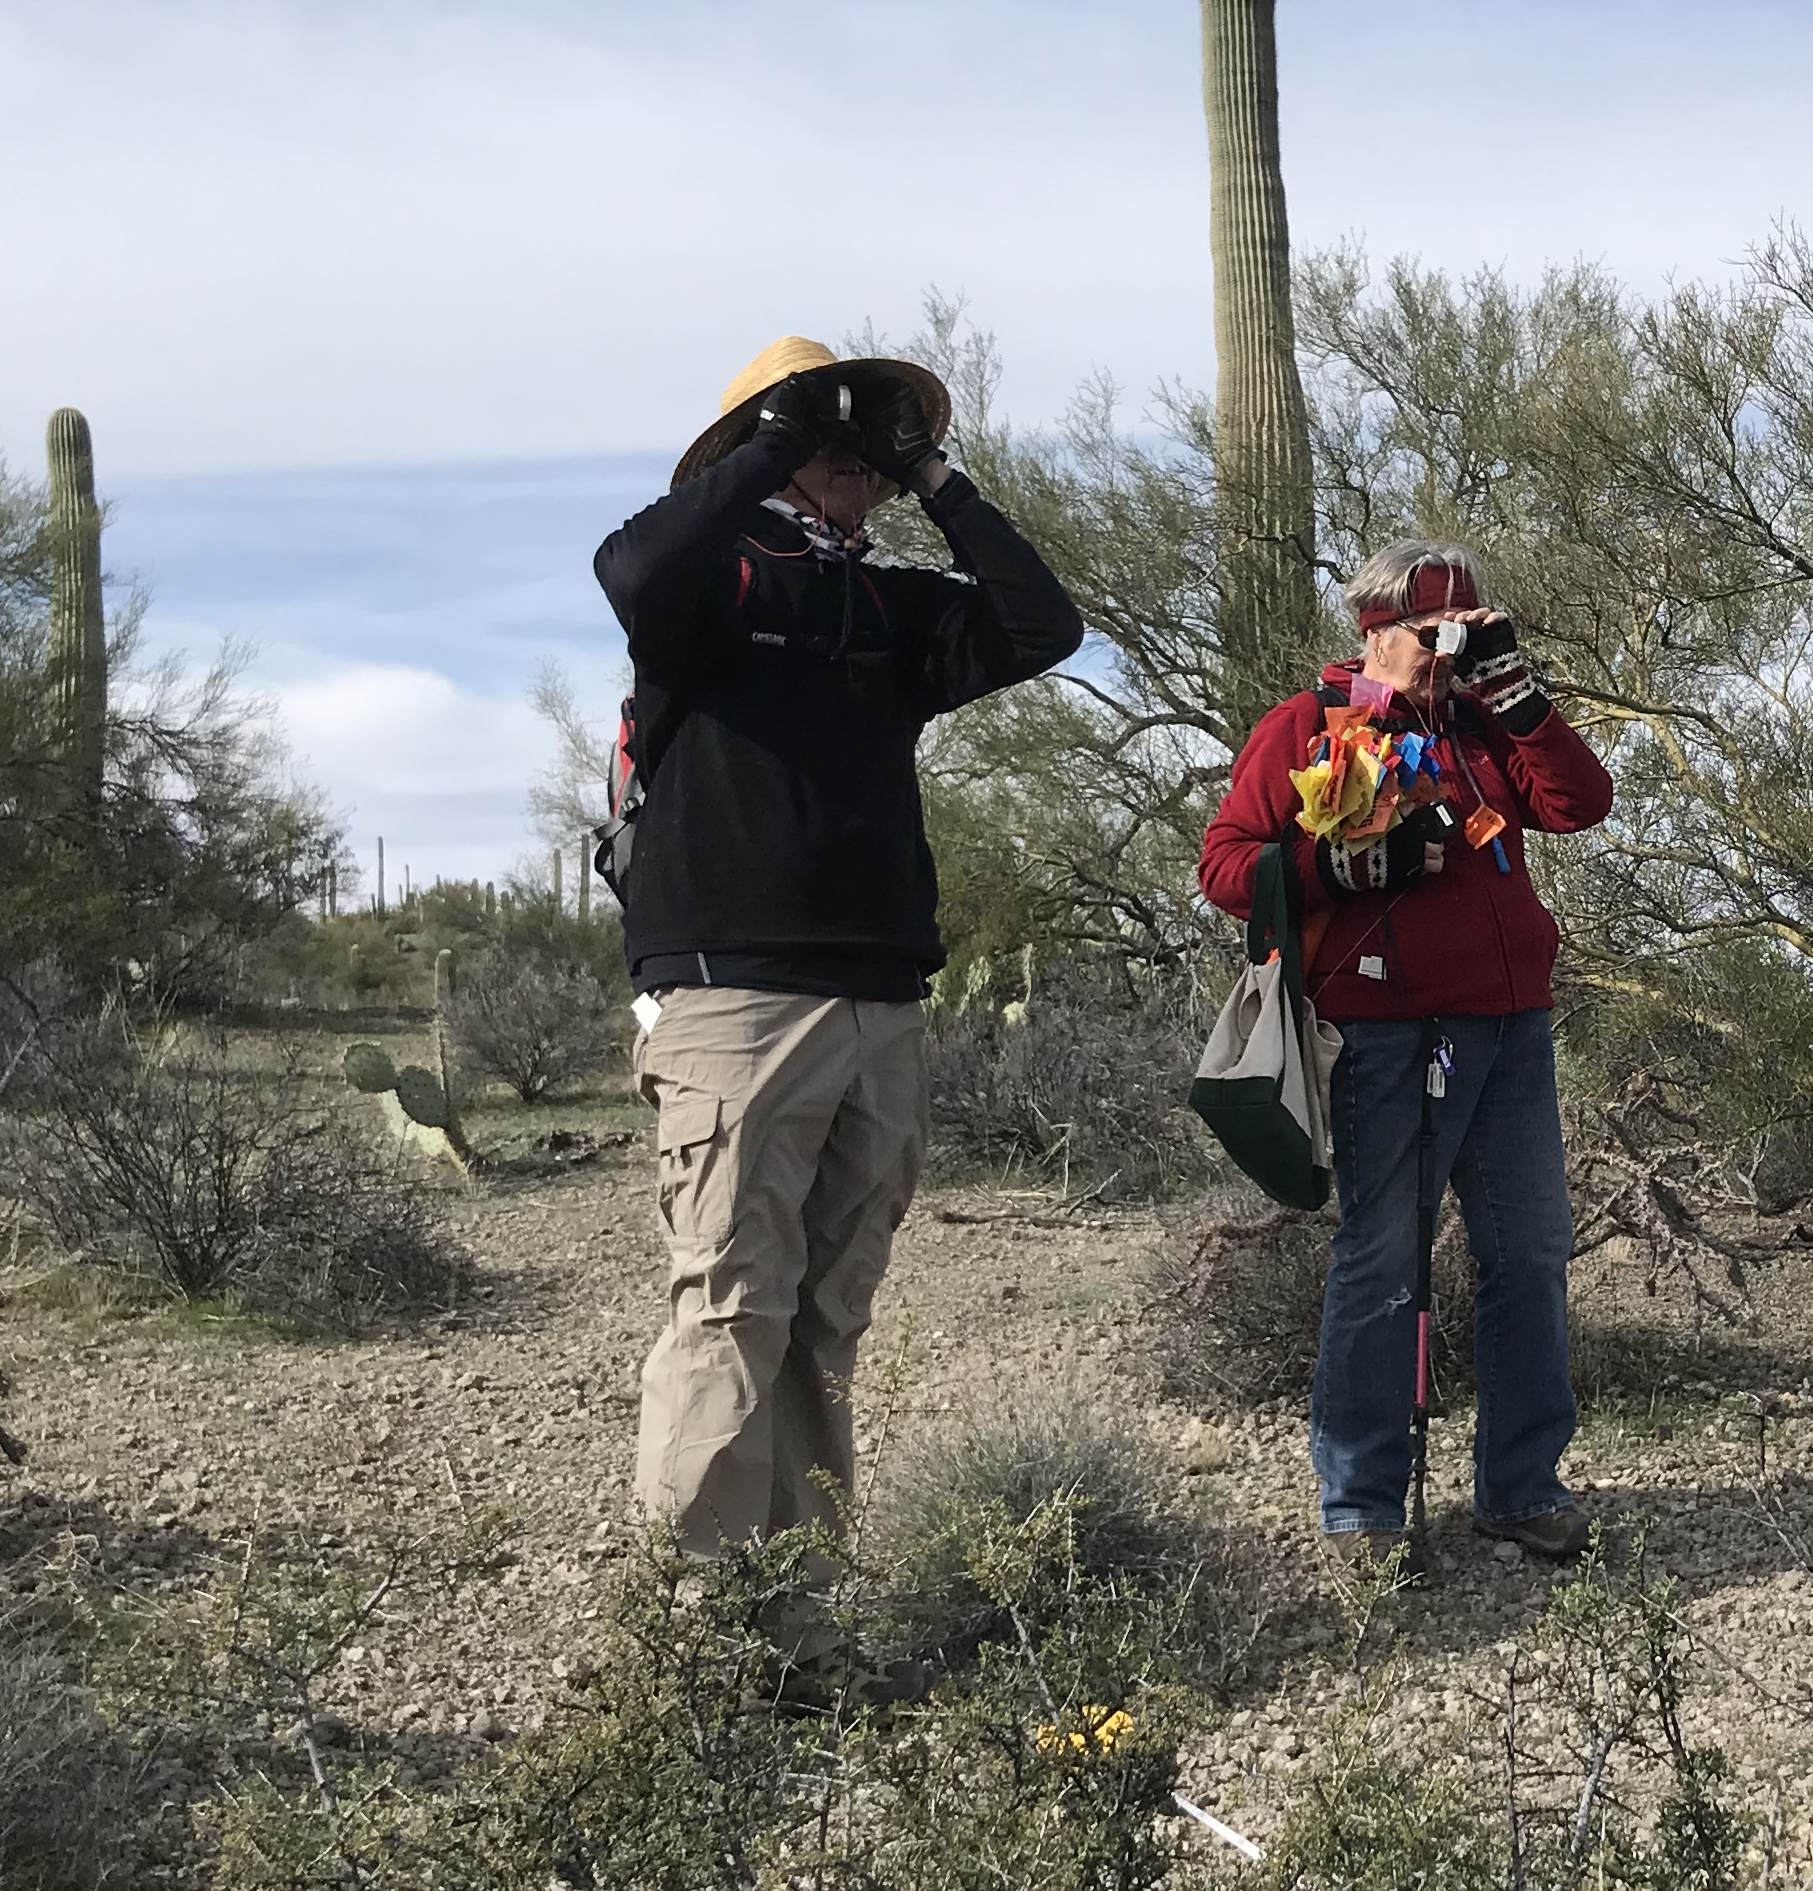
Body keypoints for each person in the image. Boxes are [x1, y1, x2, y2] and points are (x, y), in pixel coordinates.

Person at [596, 334, 1085, 1667]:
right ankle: (693, 1653)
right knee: (731, 1307)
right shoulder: (709, 581)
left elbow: (1043, 626)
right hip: (732, 992)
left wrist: (937, 476)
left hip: (878, 995)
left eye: (863, 453)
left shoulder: (887, 609)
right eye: (828, 446)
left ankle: (798, 1633)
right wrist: (773, 431)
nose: (847, 469)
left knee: (822, 1322)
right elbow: (632, 567)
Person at [1197, 542, 1615, 1573]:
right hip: (1388, 1035)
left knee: (1530, 1256)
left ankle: (1521, 1488)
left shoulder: (1481, 726)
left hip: (1512, 1025)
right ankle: (1365, 1510)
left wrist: (1516, 696)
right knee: (1385, 1260)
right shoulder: (1307, 726)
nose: (1450, 649)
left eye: (1468, 629)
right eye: (1435, 634)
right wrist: (1341, 865)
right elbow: (1223, 864)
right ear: (1376, 630)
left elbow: (1579, 804)